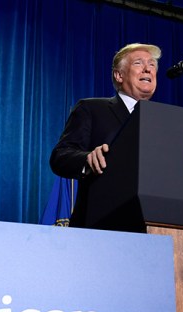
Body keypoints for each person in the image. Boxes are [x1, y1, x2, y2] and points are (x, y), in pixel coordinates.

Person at [49, 43, 161, 228]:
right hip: (101, 227)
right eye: (139, 63)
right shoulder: (92, 109)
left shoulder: (162, 123)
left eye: (152, 65)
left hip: (153, 227)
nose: (148, 68)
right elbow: (60, 157)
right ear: (119, 75)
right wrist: (88, 159)